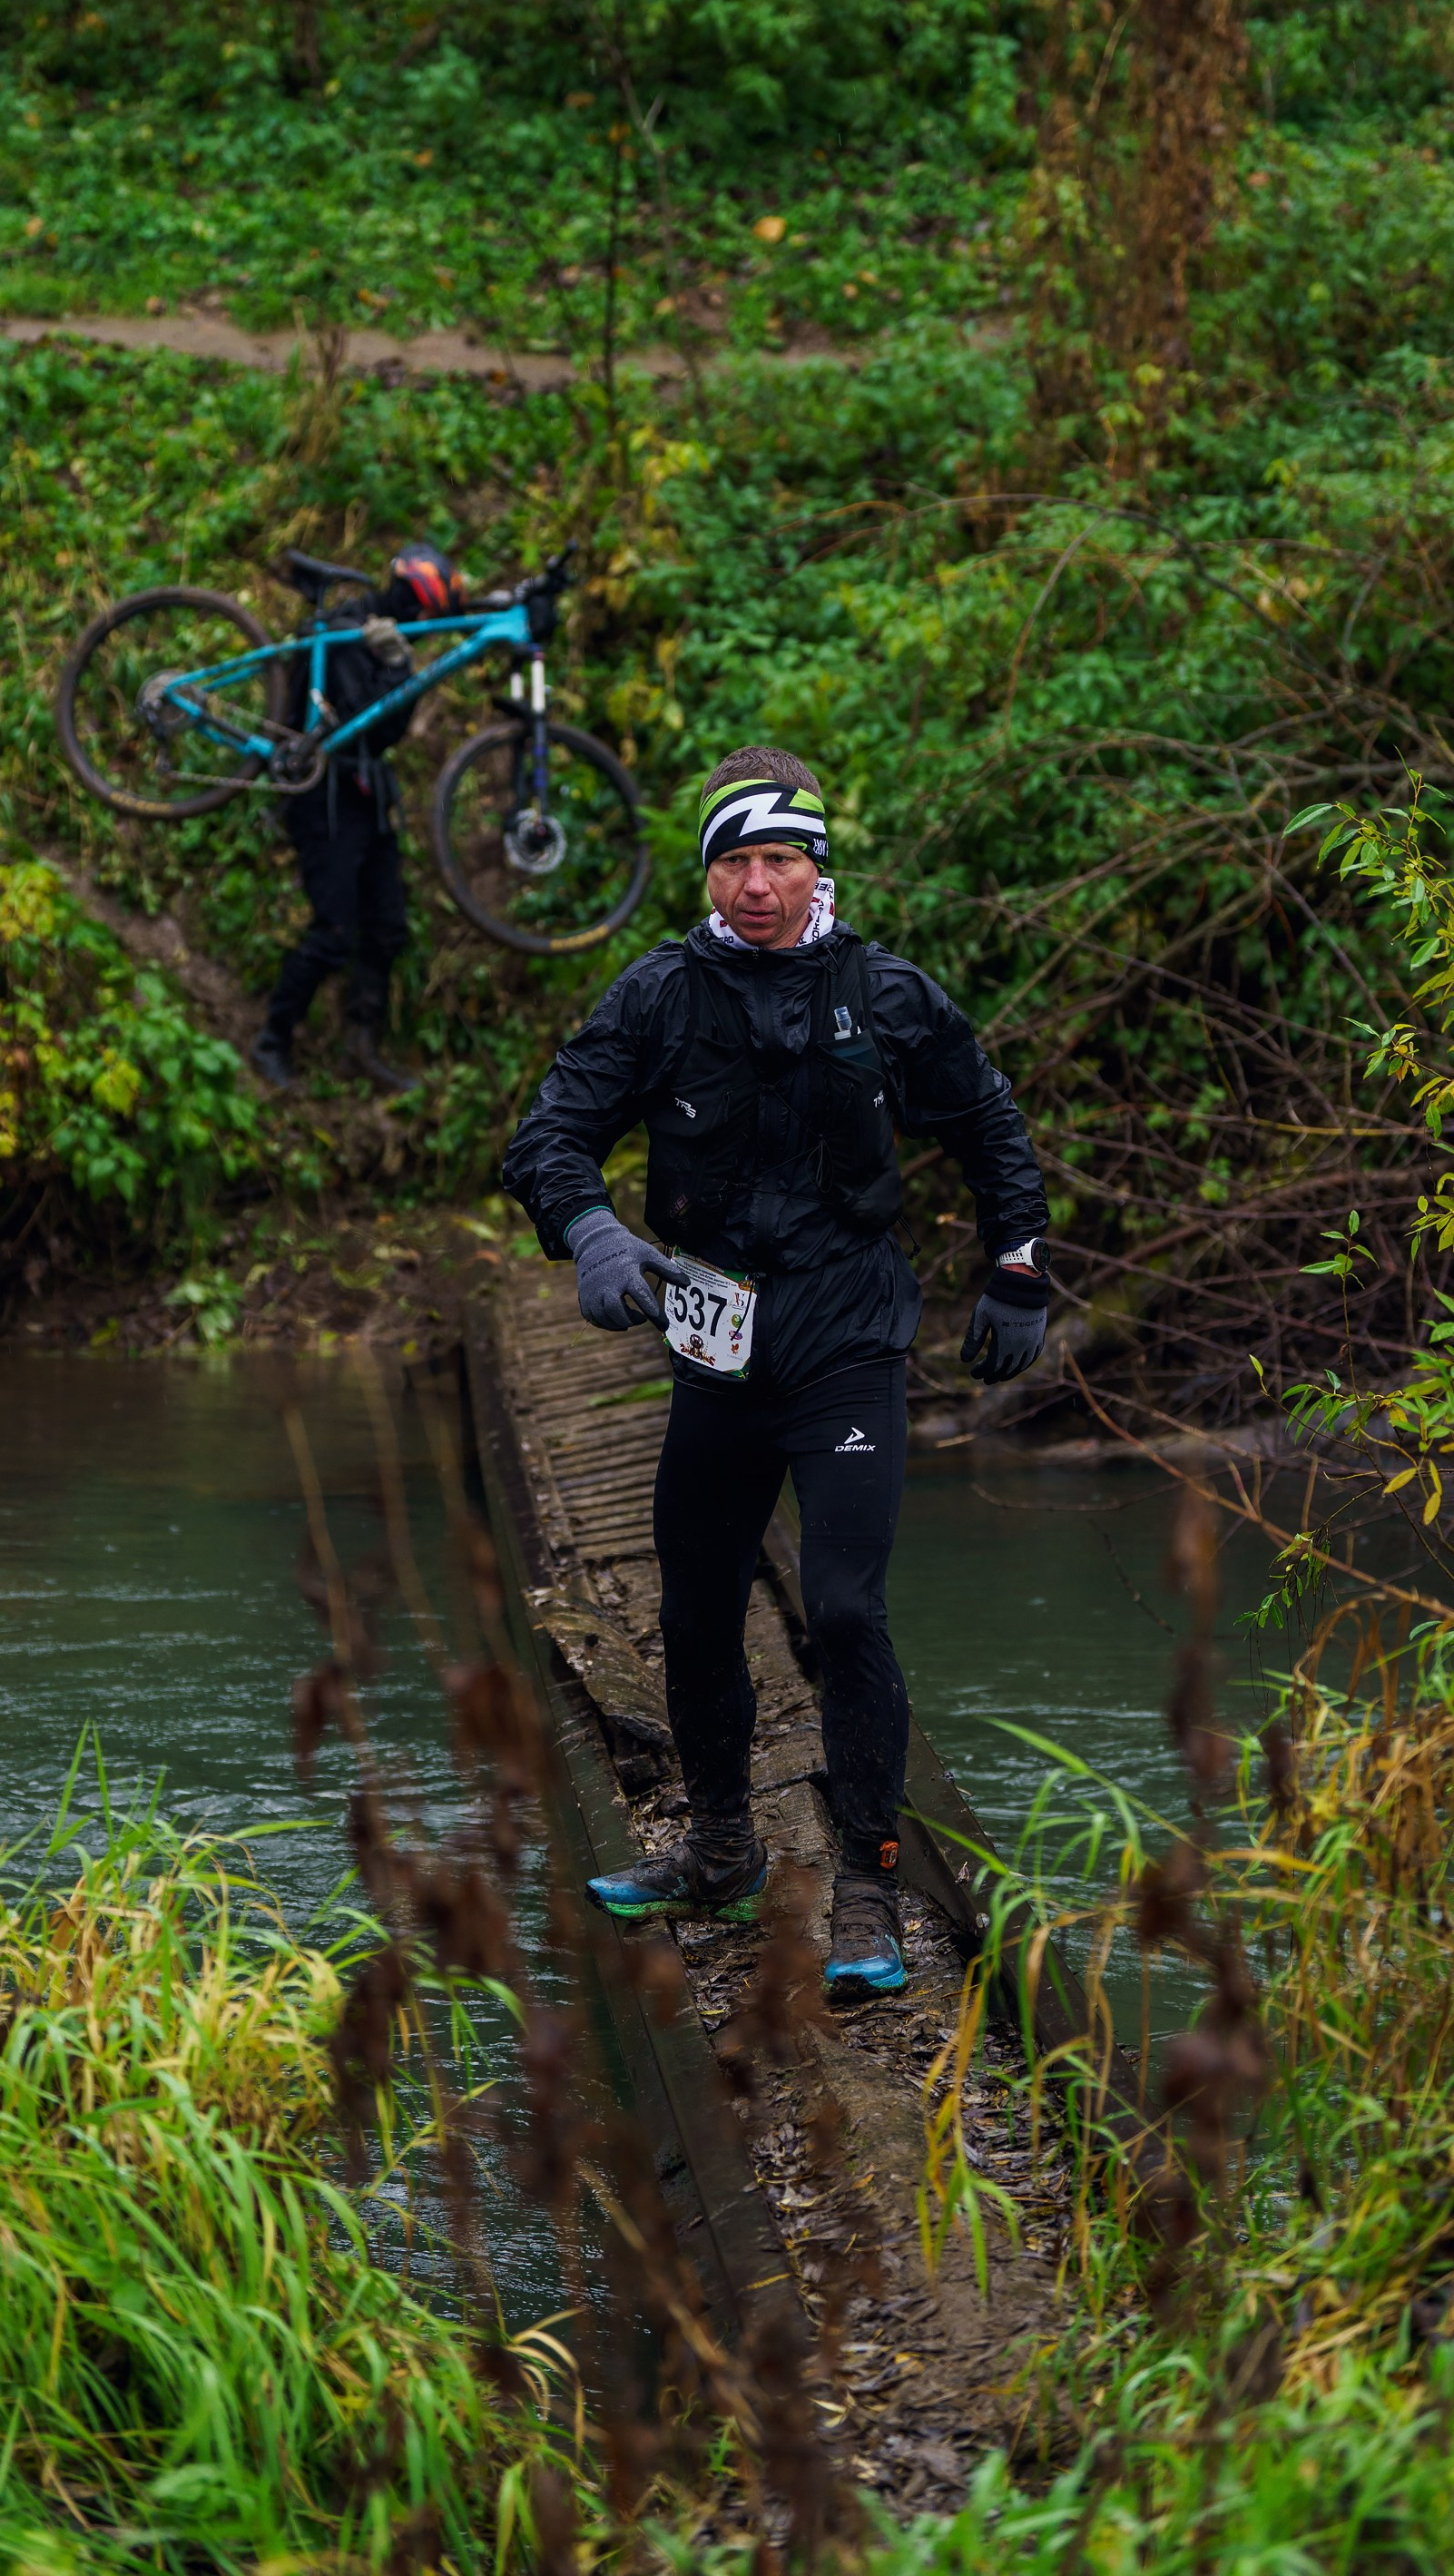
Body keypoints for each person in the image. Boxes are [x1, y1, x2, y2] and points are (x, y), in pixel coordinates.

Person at [501, 745, 1051, 2003]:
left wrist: (1016, 1267)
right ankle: (721, 1845)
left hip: (848, 1341)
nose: (758, 885)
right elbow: (550, 1136)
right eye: (735, 861)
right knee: (694, 1615)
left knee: (847, 1608)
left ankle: (866, 1879)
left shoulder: (889, 995)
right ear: (710, 872)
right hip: (714, 1344)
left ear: (818, 866)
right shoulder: (657, 997)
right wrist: (585, 1228)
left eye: (780, 860)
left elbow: (990, 1124)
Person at [252, 542, 464, 1098]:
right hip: (324, 796)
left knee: (387, 926)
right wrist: (395, 669)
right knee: (333, 931)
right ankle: (272, 1039)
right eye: (419, 611)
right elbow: (360, 722)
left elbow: (385, 733)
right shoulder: (347, 634)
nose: (420, 625)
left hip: (367, 797)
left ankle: (360, 1047)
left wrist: (399, 667)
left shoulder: (384, 639)